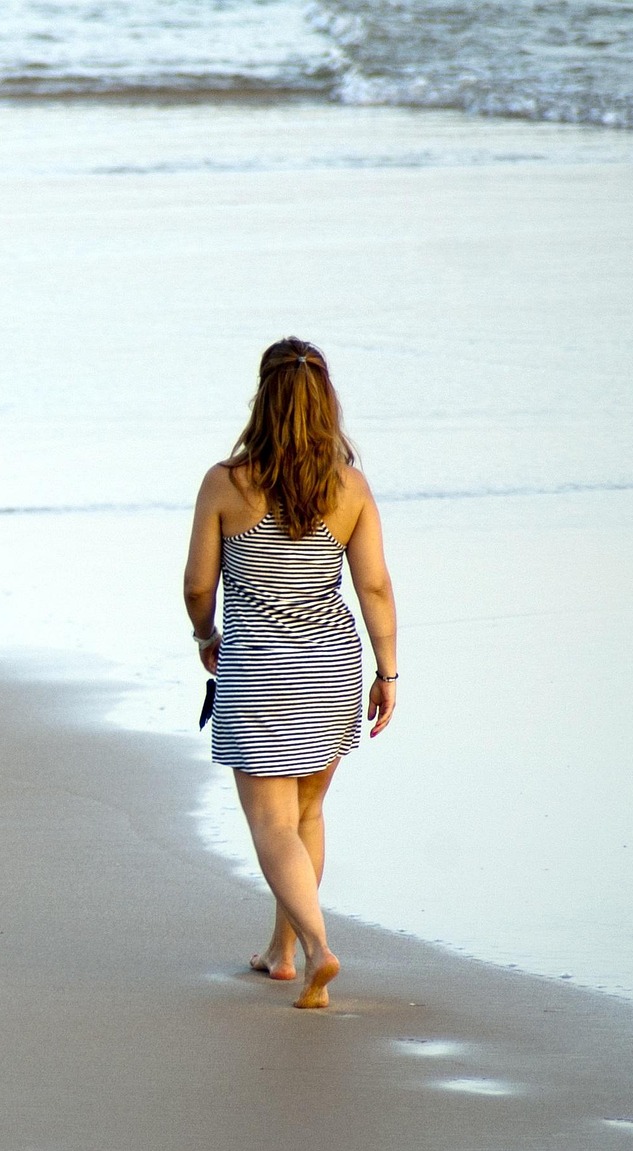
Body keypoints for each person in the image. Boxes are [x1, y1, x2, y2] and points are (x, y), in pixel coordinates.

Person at [183, 338, 398, 1010]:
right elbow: (376, 589)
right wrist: (387, 672)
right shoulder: (349, 487)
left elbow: (196, 584)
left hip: (260, 674)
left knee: (272, 822)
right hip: (334, 667)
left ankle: (315, 946)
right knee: (306, 811)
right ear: (325, 403)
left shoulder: (227, 483)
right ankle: (281, 952)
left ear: (262, 399)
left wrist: (205, 632)